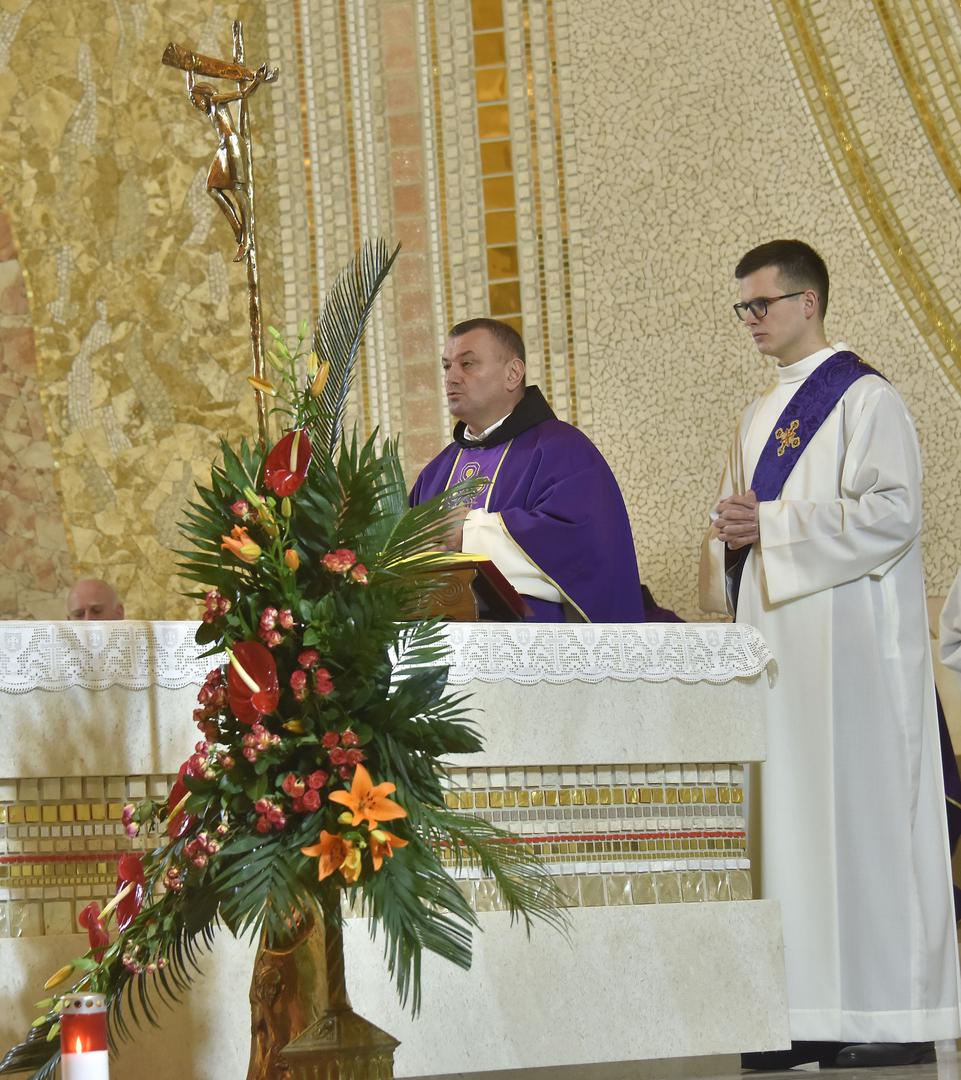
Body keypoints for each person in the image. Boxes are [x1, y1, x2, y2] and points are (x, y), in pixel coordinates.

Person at [699, 240, 960, 1069]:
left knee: (862, 828)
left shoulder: (864, 399)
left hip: (852, 661)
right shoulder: (754, 415)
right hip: (780, 656)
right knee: (789, 832)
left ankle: (893, 1018)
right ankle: (803, 1015)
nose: (749, 319)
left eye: (761, 304)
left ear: (806, 302)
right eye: (742, 307)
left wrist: (771, 525)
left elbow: (894, 514)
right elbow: (741, 525)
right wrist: (729, 532)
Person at [410, 318, 648, 622]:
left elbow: (580, 544)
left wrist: (468, 532)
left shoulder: (563, 450)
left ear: (513, 373)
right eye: (447, 366)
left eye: (467, 364)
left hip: (535, 640)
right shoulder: (436, 472)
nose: (451, 378)